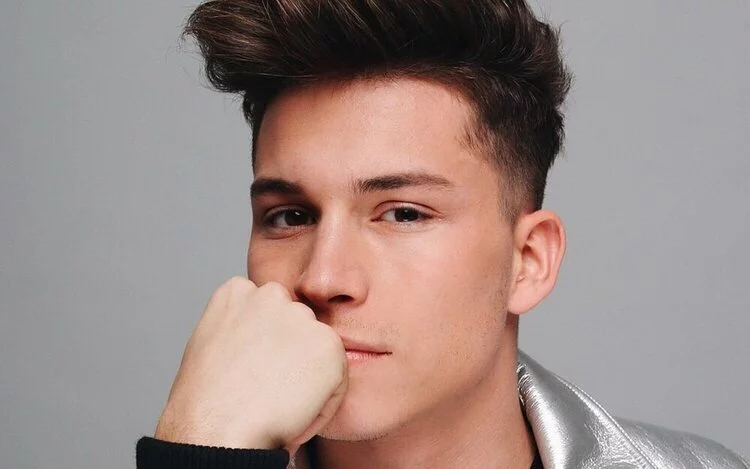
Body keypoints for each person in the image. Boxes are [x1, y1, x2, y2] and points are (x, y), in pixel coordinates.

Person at [136, 1, 748, 468]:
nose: (323, 279)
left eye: (403, 214)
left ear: (528, 260)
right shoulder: (196, 446)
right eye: (291, 216)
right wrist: (201, 453)